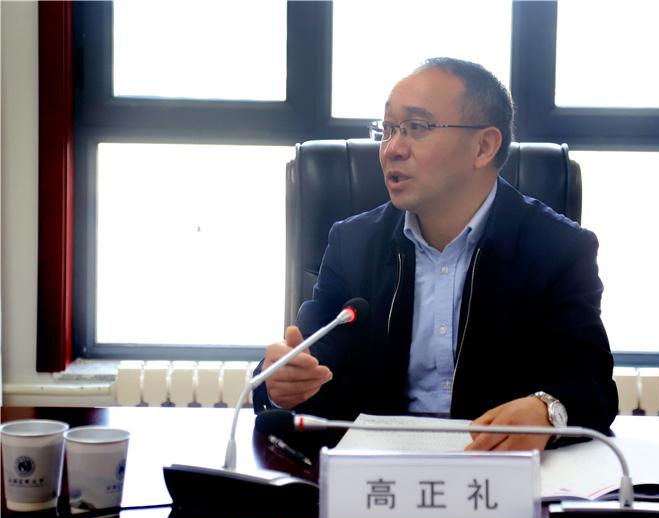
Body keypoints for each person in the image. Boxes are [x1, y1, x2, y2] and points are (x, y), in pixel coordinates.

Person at [253, 57, 618, 452]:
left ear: (483, 146)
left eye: (416, 127)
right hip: (379, 472)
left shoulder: (558, 248)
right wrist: (282, 381)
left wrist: (546, 410)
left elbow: (592, 384)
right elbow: (312, 358)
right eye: (388, 129)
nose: (392, 149)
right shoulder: (353, 243)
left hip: (495, 468)